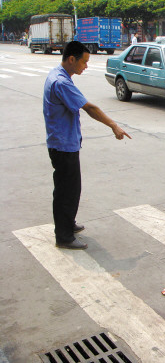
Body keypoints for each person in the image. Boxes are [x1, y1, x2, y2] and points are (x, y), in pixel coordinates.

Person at [43, 41, 131, 250]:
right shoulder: (61, 83)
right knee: (67, 191)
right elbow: (90, 108)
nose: (86, 66)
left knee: (69, 189)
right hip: (63, 146)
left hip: (63, 142)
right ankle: (63, 236)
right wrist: (113, 126)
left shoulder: (57, 75)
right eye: (84, 61)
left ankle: (68, 224)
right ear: (72, 59)